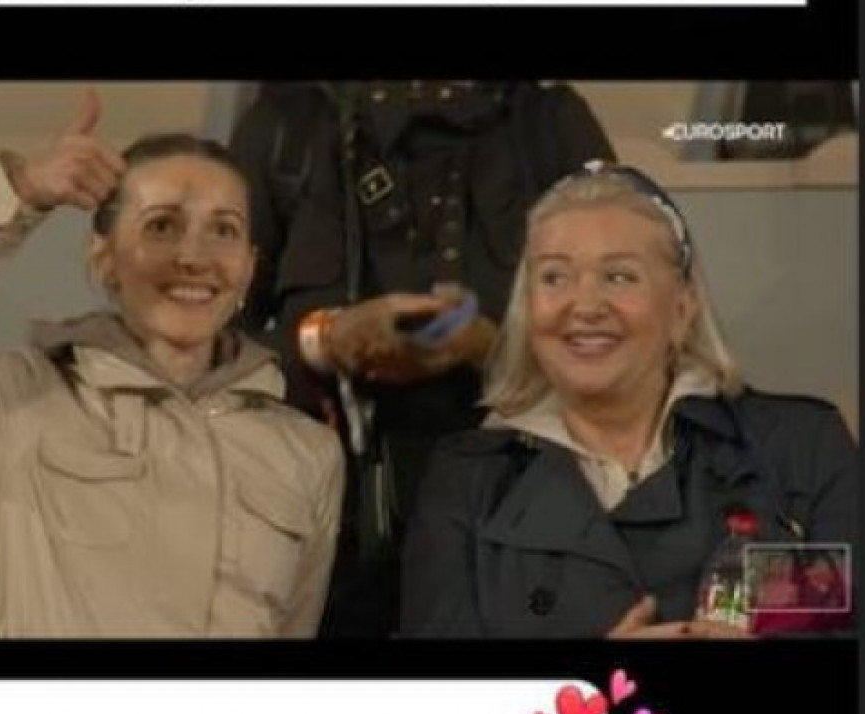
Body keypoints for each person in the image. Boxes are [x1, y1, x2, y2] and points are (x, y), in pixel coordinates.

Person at [0, 90, 344, 638]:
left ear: (250, 268)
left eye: (224, 230)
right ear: (104, 257)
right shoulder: (11, 402)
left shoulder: (309, 453)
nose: (194, 257)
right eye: (161, 226)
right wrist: (21, 192)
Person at [398, 160, 857, 638]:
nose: (585, 305)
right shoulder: (465, 480)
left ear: (682, 309)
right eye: (554, 277)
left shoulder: (804, 447)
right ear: (527, 311)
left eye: (619, 276)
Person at [229, 81, 615, 636]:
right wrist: (326, 339)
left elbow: (629, 342)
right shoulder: (285, 128)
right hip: (321, 533)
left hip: (526, 526)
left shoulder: (550, 125)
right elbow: (212, 349)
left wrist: (492, 349)